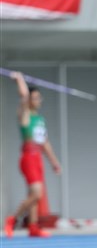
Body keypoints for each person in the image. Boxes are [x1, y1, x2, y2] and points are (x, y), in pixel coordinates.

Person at [4, 74, 61, 238]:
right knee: (36, 194)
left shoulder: (40, 119)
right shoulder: (25, 115)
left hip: (38, 158)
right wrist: (20, 79)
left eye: (38, 98)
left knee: (36, 195)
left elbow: (45, 143)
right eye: (35, 98)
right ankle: (12, 218)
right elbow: (23, 96)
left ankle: (33, 227)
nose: (38, 100)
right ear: (29, 100)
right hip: (28, 157)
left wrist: (54, 162)